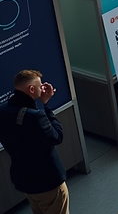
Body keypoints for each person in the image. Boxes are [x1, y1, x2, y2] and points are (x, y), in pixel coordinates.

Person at [0, 69, 69, 214]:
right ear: (31, 89)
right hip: (48, 182)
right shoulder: (35, 116)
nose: (42, 88)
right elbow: (57, 136)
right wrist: (47, 107)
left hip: (25, 181)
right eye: (39, 86)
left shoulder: (3, 112)